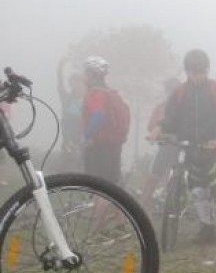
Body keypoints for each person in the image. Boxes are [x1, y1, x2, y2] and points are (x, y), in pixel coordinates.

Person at [153, 49, 216, 246]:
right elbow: (171, 119)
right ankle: (206, 229)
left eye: (200, 72)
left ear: (207, 70)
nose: (197, 76)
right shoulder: (180, 93)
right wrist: (159, 128)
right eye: (192, 72)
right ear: (187, 72)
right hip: (190, 147)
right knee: (198, 190)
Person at [82, 55, 130, 184]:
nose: (84, 76)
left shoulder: (96, 93)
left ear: (91, 74)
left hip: (99, 145)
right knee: (111, 186)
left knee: (97, 186)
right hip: (114, 144)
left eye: (86, 73)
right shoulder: (111, 93)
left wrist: (87, 137)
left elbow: (98, 115)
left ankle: (98, 204)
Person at [141, 77, 181, 209]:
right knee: (154, 175)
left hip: (181, 147)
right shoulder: (161, 107)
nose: (172, 92)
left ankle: (175, 204)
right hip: (164, 145)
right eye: (170, 90)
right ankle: (144, 205)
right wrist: (157, 132)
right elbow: (151, 126)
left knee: (177, 176)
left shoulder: (187, 106)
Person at [57, 56, 86, 171]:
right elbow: (60, 85)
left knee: (81, 161)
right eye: (74, 83)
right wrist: (60, 68)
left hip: (83, 135)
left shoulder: (88, 100)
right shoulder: (67, 98)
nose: (77, 85)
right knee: (67, 159)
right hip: (68, 134)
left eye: (79, 83)